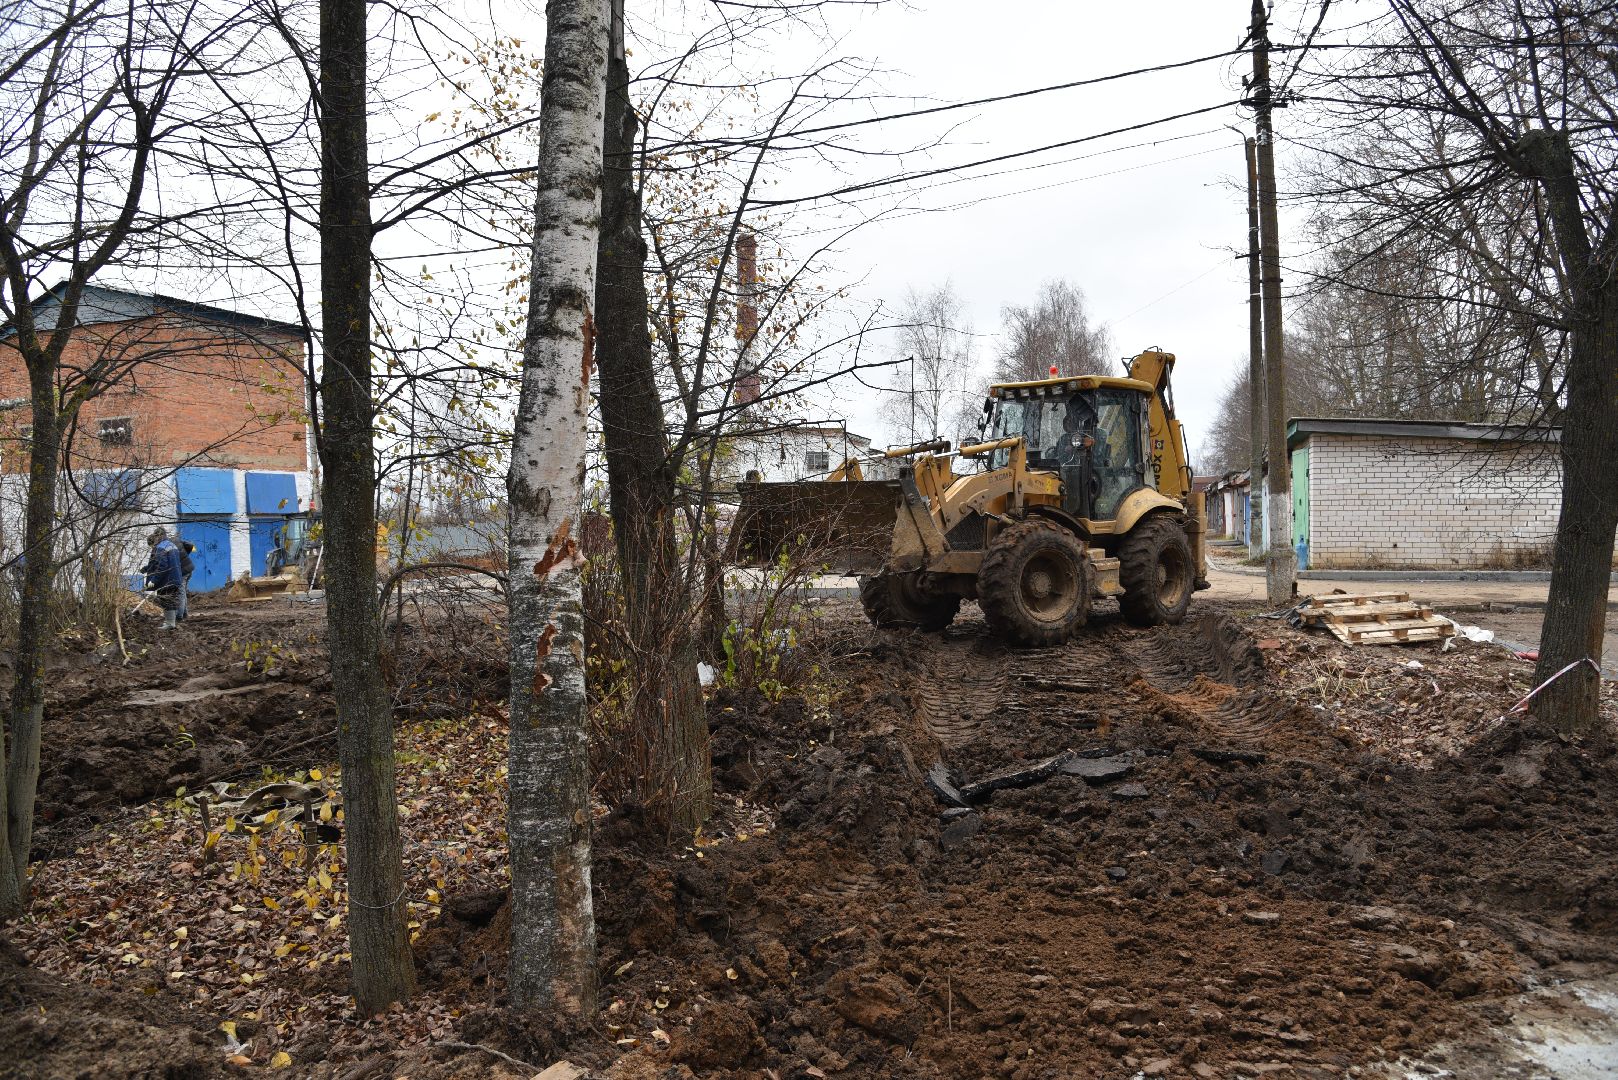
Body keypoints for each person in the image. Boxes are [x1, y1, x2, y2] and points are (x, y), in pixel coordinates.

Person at [141, 528, 183, 630]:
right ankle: (171, 622)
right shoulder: (171, 545)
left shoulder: (160, 548)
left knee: (166, 600)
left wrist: (153, 581)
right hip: (175, 578)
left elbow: (161, 567)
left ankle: (169, 623)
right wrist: (147, 569)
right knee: (171, 599)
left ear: (157, 536)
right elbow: (160, 563)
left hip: (166, 580)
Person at [178, 540, 196, 621]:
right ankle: (185, 613)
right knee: (183, 591)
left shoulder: (166, 546)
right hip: (189, 569)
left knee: (181, 592)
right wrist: (186, 555)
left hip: (183, 571)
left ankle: (179, 616)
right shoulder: (177, 541)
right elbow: (191, 545)